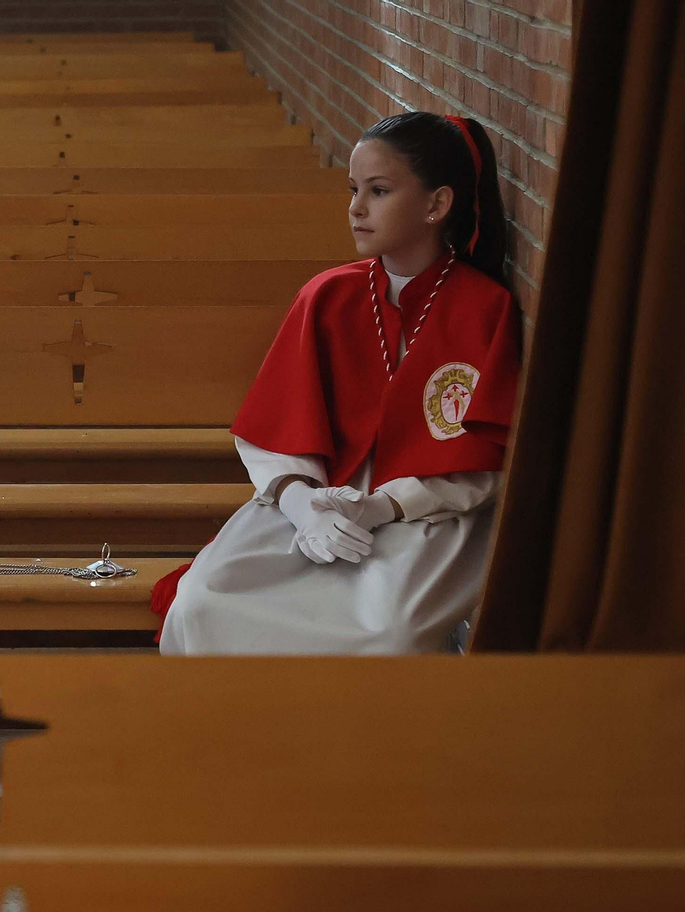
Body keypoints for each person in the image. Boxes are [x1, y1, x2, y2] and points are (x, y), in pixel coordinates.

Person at [157, 111, 522, 655]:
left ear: (436, 204)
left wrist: (378, 507)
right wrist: (304, 504)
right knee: (202, 600)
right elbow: (275, 430)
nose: (355, 208)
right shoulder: (327, 296)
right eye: (354, 190)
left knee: (389, 632)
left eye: (378, 191)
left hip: (425, 516)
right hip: (312, 501)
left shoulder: (483, 309)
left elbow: (483, 464)